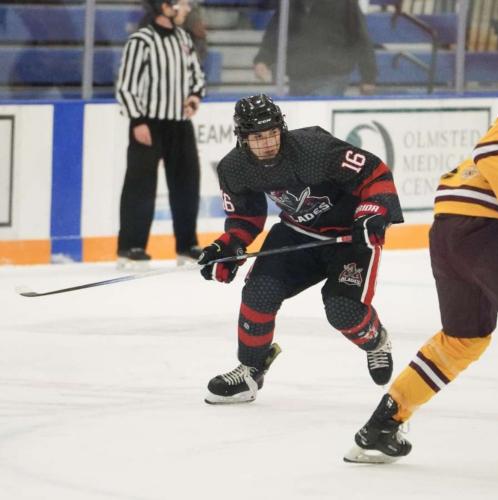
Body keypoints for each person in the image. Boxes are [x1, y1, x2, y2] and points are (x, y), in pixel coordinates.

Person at [198, 94, 403, 404]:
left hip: (349, 238)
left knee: (343, 311)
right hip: (298, 233)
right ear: (242, 138)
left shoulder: (314, 149)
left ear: (281, 129)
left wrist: (373, 211)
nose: (268, 143)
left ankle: (376, 341)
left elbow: (374, 173)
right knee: (259, 293)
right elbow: (245, 217)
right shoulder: (234, 168)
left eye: (272, 133)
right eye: (258, 137)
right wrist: (228, 245)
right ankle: (251, 371)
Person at [344, 117, 498, 464]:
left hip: (454, 227)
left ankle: (384, 424)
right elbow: (491, 152)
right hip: (483, 227)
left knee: (464, 339)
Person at [116, 0, 205, 269]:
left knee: (187, 184)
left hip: (179, 123)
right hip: (148, 123)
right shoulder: (141, 40)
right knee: (140, 186)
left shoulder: (183, 38)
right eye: (181, 4)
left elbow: (197, 76)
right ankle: (131, 246)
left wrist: (194, 96)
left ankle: (187, 245)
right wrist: (138, 120)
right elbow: (126, 85)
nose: (186, 9)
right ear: (165, 6)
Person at [253, 0, 377, 97]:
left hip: (332, 76)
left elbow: (360, 38)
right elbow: (276, 32)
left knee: (317, 118)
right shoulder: (290, 3)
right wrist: (262, 60)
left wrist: (368, 77)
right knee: (302, 120)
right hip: (297, 76)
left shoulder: (344, 2)